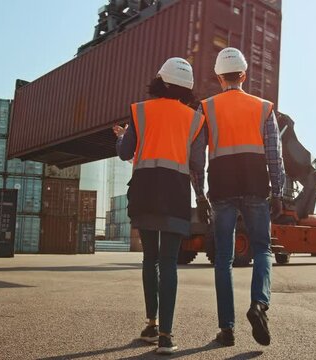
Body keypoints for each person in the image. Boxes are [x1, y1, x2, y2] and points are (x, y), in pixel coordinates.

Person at [112, 57, 206, 355]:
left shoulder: (140, 112)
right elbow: (197, 164)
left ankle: (151, 323)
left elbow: (126, 151)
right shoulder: (195, 119)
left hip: (145, 192)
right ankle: (166, 335)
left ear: (161, 81)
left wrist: (121, 138)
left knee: (149, 258)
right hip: (176, 193)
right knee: (169, 262)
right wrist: (201, 195)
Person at [196, 47, 285, 347]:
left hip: (221, 187)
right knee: (262, 250)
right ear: (244, 75)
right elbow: (274, 154)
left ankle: (227, 330)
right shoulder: (263, 107)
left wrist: (198, 193)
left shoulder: (206, 108)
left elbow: (196, 156)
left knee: (224, 258)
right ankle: (259, 305)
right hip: (256, 186)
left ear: (219, 77)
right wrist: (279, 190)